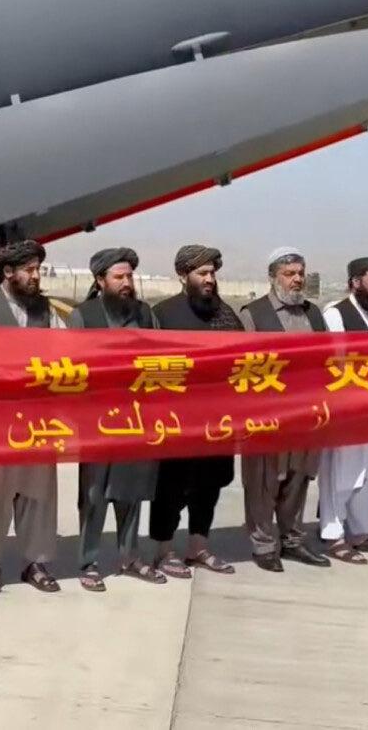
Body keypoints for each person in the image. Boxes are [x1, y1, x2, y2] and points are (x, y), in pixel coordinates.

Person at [0, 240, 63, 595]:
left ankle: (35, 562)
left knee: (38, 494)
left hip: (38, 419)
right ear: (8, 272)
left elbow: (65, 351)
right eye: (29, 270)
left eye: (38, 270)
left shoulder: (46, 309)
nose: (36, 276)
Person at [69, 247, 164, 590]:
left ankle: (130, 557)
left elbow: (160, 357)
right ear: (100, 280)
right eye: (119, 277)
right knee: (94, 494)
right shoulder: (83, 316)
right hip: (97, 420)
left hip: (137, 417)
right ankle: (89, 561)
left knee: (132, 491)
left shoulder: (145, 313)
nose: (126, 283)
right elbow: (72, 368)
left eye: (129, 276)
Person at [237, 247, 331, 571]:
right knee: (264, 482)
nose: (297, 279)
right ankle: (264, 545)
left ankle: (292, 540)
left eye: (300, 273)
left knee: (298, 479)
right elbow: (241, 366)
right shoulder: (253, 314)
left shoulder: (313, 314)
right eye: (289, 274)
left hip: (306, 414)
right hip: (267, 415)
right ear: (273, 276)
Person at [148, 245, 239, 577]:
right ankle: (163, 550)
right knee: (170, 489)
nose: (209, 279)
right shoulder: (163, 314)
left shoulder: (226, 315)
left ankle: (198, 547)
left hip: (218, 420)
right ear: (183, 275)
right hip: (176, 421)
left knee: (209, 487)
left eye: (212, 272)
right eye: (202, 273)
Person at [318, 257, 368, 563]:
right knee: (341, 475)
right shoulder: (336, 314)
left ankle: (361, 532)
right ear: (355, 282)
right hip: (348, 409)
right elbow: (333, 363)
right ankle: (333, 534)